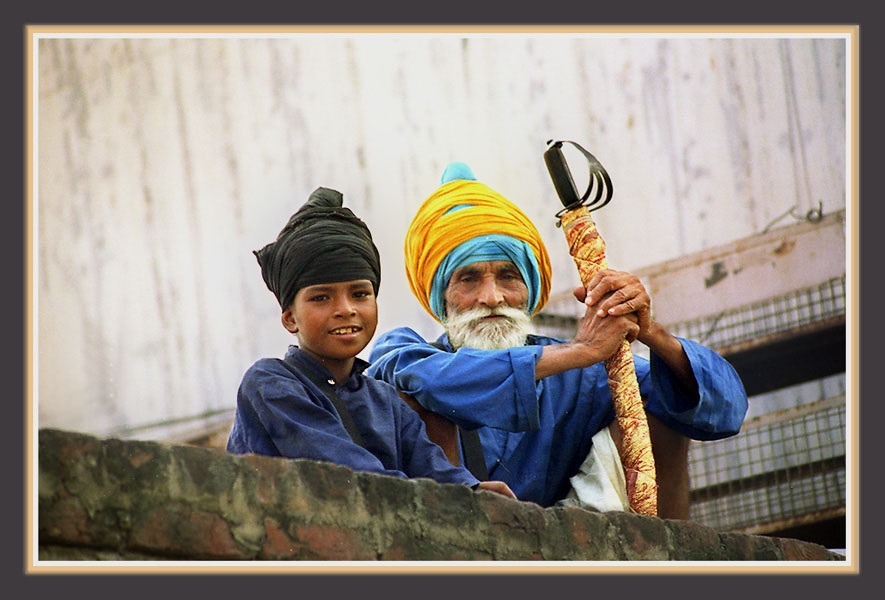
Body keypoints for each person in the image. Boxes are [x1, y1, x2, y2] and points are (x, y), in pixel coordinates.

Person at [366, 163, 748, 517]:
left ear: (530, 288)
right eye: (468, 280)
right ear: (441, 297)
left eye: (507, 277)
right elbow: (423, 378)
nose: (492, 297)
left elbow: (725, 410)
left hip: (568, 549)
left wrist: (648, 330)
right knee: (413, 400)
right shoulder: (403, 353)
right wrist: (578, 351)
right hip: (455, 548)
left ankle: (663, 565)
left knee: (659, 408)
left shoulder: (584, 375)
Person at [226, 186, 516, 500]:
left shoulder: (383, 398)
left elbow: (428, 464)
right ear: (290, 319)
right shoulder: (270, 383)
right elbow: (345, 472)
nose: (346, 309)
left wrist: (471, 489)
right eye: (321, 297)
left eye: (360, 294)